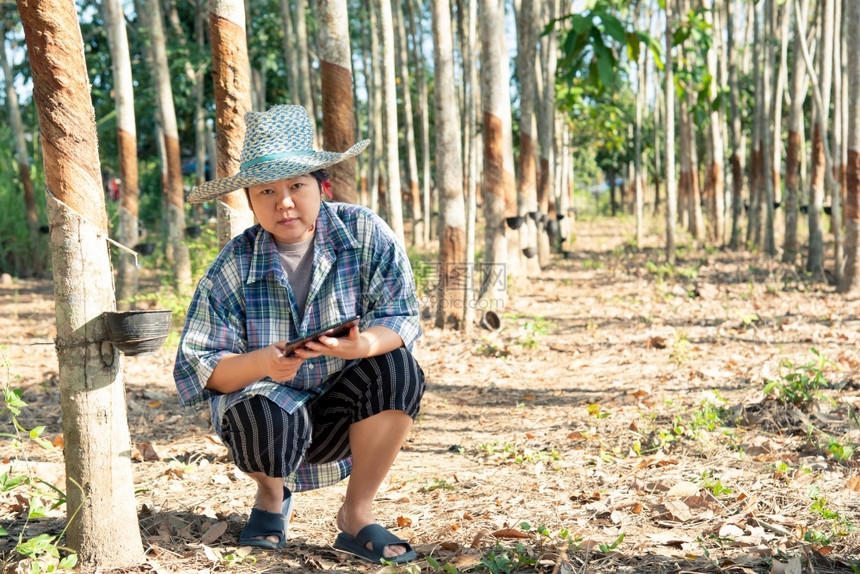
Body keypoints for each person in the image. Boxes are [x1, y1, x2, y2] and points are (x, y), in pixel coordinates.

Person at [174, 105, 424, 564]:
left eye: (296, 186)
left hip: (345, 414)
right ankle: (271, 497)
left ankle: (356, 514)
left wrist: (363, 344)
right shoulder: (232, 265)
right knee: (261, 407)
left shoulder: (363, 231)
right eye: (266, 190)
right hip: (268, 419)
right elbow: (200, 369)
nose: (283, 201)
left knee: (398, 367)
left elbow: (401, 314)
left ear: (320, 186)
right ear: (249, 199)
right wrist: (263, 364)